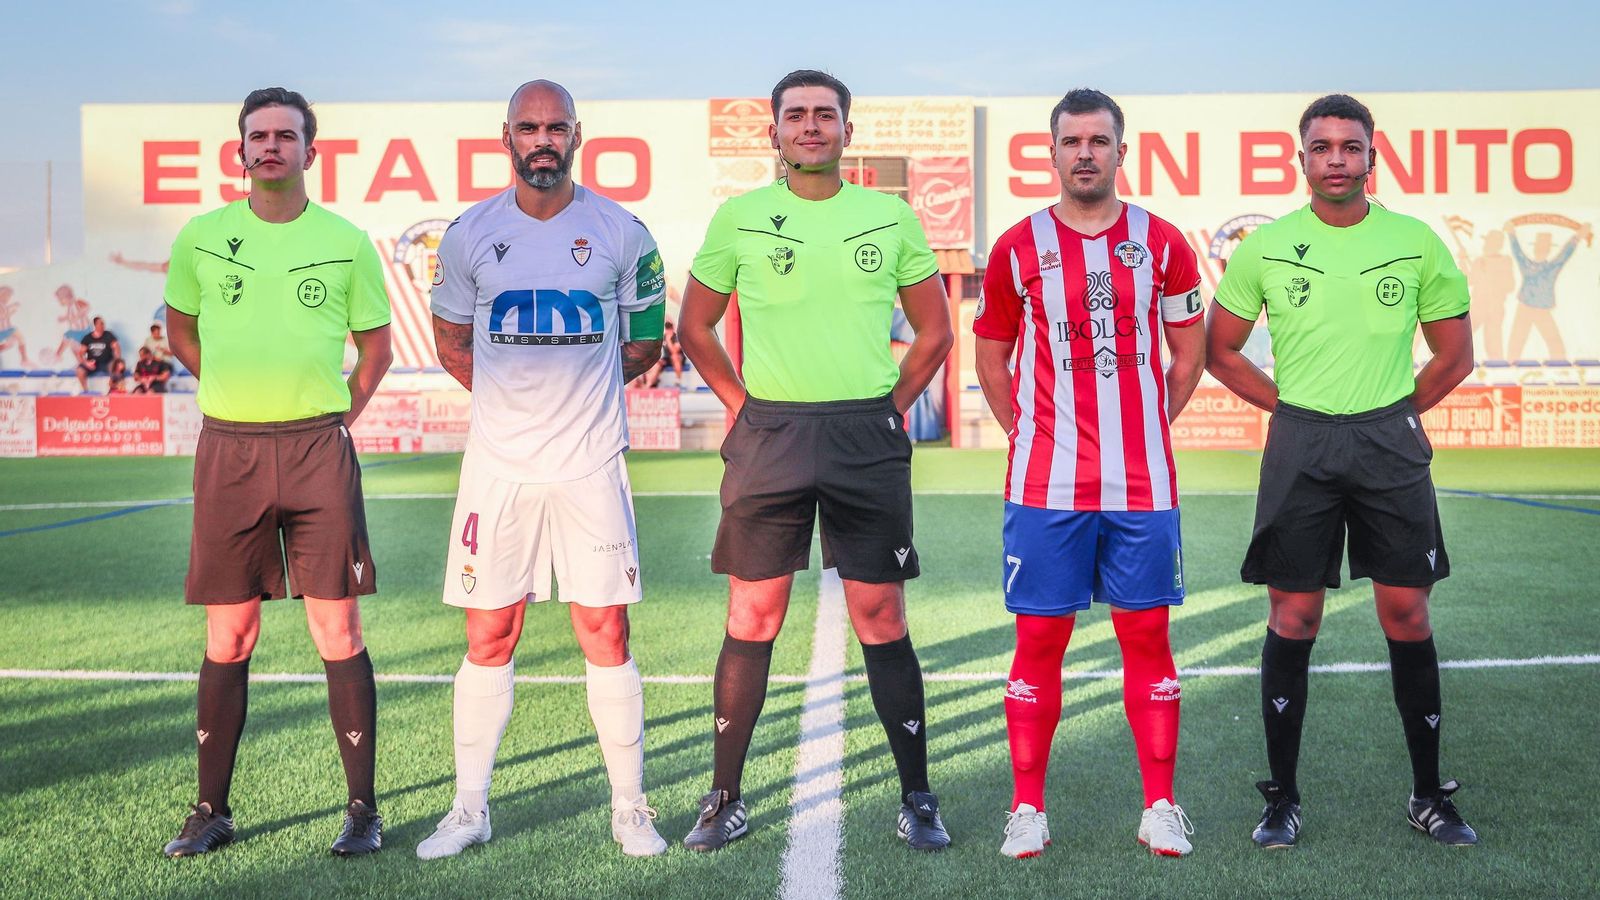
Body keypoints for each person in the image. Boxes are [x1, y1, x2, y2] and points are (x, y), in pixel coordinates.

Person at [677, 69, 955, 853]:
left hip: (864, 436)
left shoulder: (889, 217)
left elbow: (934, 333)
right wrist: (739, 404)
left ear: (846, 131)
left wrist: (889, 409)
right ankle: (723, 797)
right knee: (752, 615)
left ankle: (916, 796)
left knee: (880, 615)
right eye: (794, 116)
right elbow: (697, 327)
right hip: (770, 435)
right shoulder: (740, 218)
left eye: (823, 115)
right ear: (773, 132)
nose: (809, 126)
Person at [1205, 94, 1478, 848]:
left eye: (1349, 147)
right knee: (1293, 618)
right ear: (1302, 159)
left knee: (1407, 615)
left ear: (1371, 157)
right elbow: (1219, 349)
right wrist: (1288, 408)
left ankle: (1428, 794)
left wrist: (1395, 414)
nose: (1336, 159)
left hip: (1389, 448)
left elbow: (1455, 356)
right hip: (1302, 447)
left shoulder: (1414, 241)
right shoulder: (1267, 247)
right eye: (1321, 147)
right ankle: (1282, 798)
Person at [416, 80, 669, 861]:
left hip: (590, 463)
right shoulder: (466, 236)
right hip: (498, 470)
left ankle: (629, 807)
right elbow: (452, 345)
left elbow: (643, 346)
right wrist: (514, 408)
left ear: (577, 134)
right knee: (490, 631)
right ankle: (469, 809)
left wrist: (571, 401)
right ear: (506, 137)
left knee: (606, 630)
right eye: (529, 128)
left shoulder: (625, 232)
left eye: (555, 127)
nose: (543, 140)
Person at [159, 87, 394, 858]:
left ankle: (362, 810)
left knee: (338, 626)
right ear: (240, 152)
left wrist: (334, 421)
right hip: (230, 450)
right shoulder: (201, 237)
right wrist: (235, 396)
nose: (270, 147)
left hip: (317, 448)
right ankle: (210, 809)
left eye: (284, 136)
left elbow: (375, 350)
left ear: (309, 152)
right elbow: (183, 331)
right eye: (257, 136)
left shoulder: (347, 240)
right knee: (229, 634)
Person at [973, 89, 1205, 860]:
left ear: (1120, 151)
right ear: (1051, 152)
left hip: (1143, 486)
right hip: (1046, 487)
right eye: (1071, 140)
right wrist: (1028, 433)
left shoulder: (1164, 242)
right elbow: (992, 352)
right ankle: (1027, 808)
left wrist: (1144, 428)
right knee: (1040, 639)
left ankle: (1161, 805)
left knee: (1148, 637)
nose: (1084, 153)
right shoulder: (1016, 246)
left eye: (1099, 141)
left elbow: (1189, 353)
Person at [1506, 220, 1589, 361]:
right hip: (1525, 306)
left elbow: (1564, 254)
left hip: (1541, 308)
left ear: (1548, 249)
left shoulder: (1552, 267)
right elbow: (1518, 252)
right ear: (1535, 248)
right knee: (1517, 340)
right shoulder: (1527, 265)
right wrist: (1511, 234)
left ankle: (1561, 367)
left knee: (1554, 342)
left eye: (1543, 247)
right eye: (1539, 247)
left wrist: (1578, 237)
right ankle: (1509, 367)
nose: (1540, 250)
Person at [75, 317, 121, 393]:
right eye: (101, 324)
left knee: (115, 367)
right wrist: (86, 363)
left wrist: (117, 360)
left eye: (103, 324)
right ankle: (85, 391)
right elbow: (80, 354)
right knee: (79, 370)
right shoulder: (88, 338)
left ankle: (112, 389)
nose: (103, 325)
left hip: (107, 362)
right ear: (95, 325)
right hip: (93, 363)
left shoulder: (108, 335)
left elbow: (116, 348)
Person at [51, 285, 91, 365]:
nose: (60, 302)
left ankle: (57, 355)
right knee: (73, 347)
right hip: (75, 332)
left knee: (67, 337)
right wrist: (64, 318)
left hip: (84, 331)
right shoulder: (69, 307)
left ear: (66, 298)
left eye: (60, 300)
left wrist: (78, 315)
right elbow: (69, 316)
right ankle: (80, 362)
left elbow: (87, 306)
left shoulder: (77, 302)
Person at [0, 286, 34, 367]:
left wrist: (12, 305)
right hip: (2, 331)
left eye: (8, 296)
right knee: (17, 333)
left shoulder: (3, 305)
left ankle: (24, 359)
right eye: (5, 295)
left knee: (11, 343)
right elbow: (2, 315)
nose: (7, 298)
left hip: (5, 330)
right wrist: (11, 313)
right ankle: (24, 359)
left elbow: (5, 309)